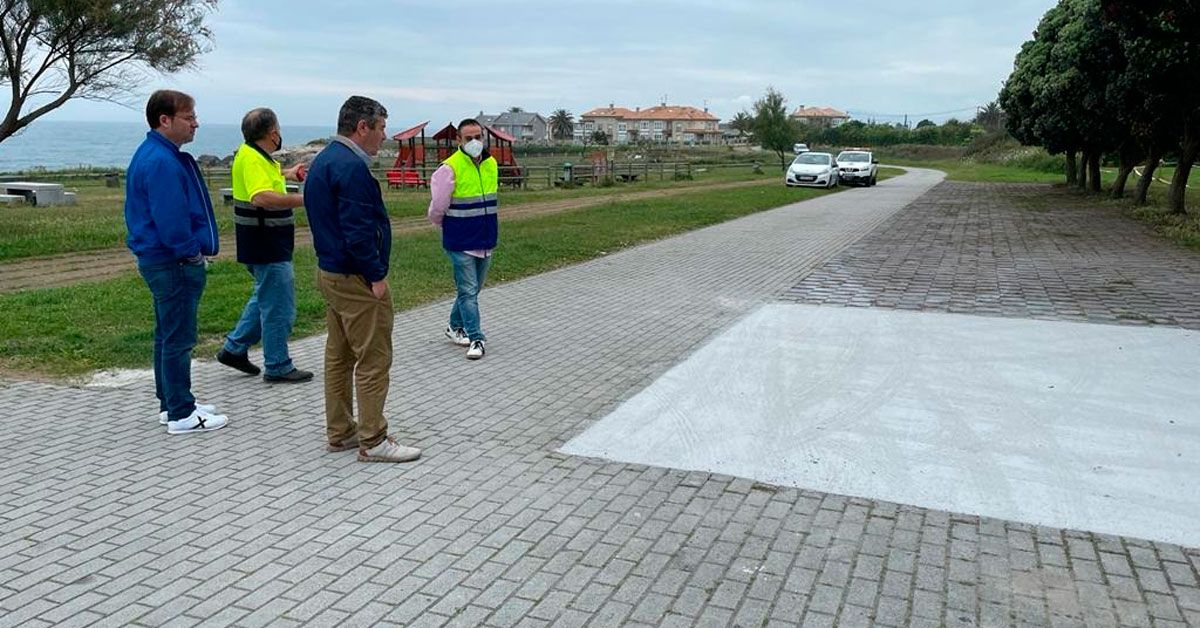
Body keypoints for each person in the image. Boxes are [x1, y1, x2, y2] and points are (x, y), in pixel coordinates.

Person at [303, 95, 420, 463]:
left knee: (339, 355)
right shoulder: (351, 167)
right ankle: (374, 439)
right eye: (382, 128)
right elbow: (358, 230)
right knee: (373, 357)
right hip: (354, 275)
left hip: (330, 270)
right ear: (362, 127)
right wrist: (375, 275)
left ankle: (340, 432)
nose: (384, 137)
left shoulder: (323, 160)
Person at [124, 90, 228, 435]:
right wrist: (191, 253)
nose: (195, 123)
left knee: (166, 335)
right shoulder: (162, 162)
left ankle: (171, 403)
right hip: (172, 261)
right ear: (164, 120)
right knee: (179, 337)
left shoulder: (155, 154)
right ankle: (182, 412)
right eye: (189, 117)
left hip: (161, 259)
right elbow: (171, 220)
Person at [216, 107, 313, 383]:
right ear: (273, 133)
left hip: (265, 241)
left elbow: (263, 176)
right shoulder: (252, 159)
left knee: (264, 297)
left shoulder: (252, 155)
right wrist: (307, 199)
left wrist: (288, 173)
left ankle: (234, 349)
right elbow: (261, 196)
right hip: (265, 242)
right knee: (279, 305)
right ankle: (278, 363)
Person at [427, 118, 498, 360]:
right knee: (468, 290)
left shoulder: (491, 164)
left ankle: (453, 326)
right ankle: (476, 338)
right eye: (469, 138)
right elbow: (437, 207)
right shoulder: (449, 168)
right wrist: (442, 225)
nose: (475, 142)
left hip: (485, 238)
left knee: (473, 289)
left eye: (478, 136)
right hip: (460, 240)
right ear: (458, 140)